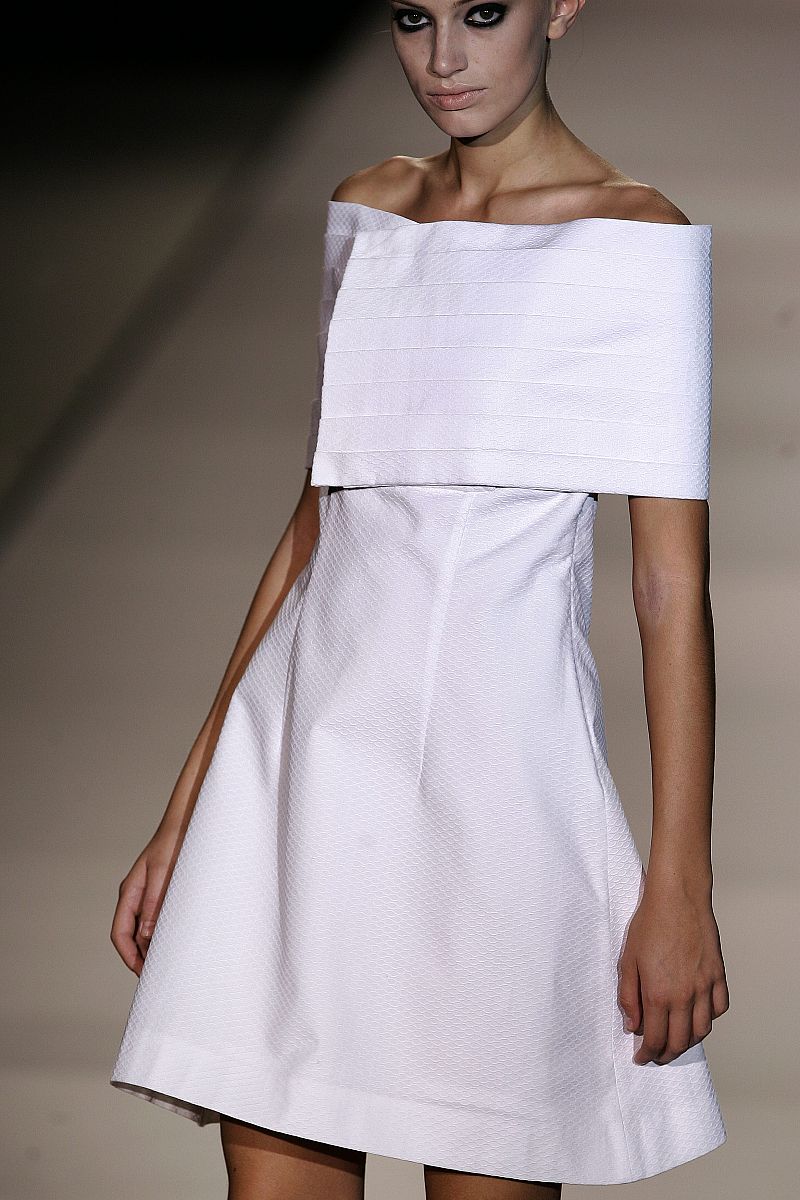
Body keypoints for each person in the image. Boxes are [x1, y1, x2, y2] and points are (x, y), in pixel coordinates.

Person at [109, 1, 731, 1196]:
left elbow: (668, 587)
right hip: (305, 770)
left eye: (483, 13)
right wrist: (188, 810)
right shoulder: (370, 209)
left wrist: (678, 885)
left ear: (559, 7)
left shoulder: (633, 240)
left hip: (498, 797)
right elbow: (315, 526)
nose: (445, 58)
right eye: (412, 17)